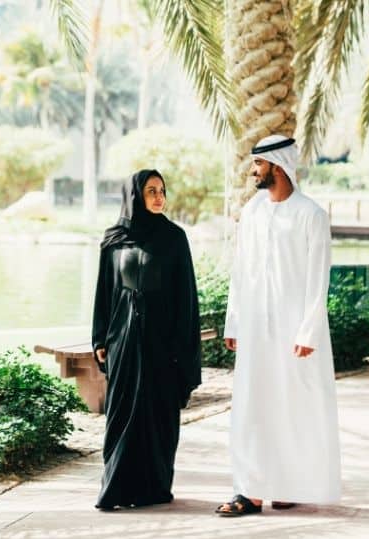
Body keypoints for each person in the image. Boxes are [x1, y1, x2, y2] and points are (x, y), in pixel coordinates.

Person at [215, 135, 341, 516]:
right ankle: (249, 491)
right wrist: (233, 321)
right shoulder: (252, 212)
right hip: (255, 328)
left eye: (259, 165)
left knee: (291, 407)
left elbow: (318, 280)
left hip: (293, 332)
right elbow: (241, 270)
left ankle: (287, 485)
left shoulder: (311, 215)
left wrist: (309, 331)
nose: (254, 171)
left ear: (278, 165)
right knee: (253, 406)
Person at [92, 169, 201, 510]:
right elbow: (104, 292)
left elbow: (186, 297)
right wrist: (99, 337)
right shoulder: (114, 240)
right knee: (122, 414)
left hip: (162, 344)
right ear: (135, 196)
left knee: (158, 417)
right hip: (123, 341)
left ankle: (154, 488)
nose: (158, 197)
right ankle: (117, 489)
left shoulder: (174, 238)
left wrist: (183, 349)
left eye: (162, 190)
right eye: (151, 190)